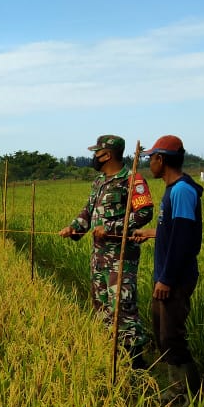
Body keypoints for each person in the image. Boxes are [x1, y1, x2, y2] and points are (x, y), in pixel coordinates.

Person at [59, 135, 154, 367]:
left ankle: (136, 365)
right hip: (99, 257)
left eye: (97, 153)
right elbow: (88, 211)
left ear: (107, 155)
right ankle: (113, 357)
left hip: (120, 258)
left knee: (122, 307)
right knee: (102, 307)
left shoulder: (132, 179)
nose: (94, 157)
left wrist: (111, 227)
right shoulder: (99, 181)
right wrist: (74, 228)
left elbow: (144, 213)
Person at [134, 135, 204, 400]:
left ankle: (188, 395)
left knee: (172, 337)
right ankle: (177, 388)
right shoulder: (172, 188)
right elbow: (173, 229)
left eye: (151, 158)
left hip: (174, 277)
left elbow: (183, 239)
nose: (149, 163)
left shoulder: (181, 191)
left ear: (161, 160)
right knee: (163, 335)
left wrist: (166, 279)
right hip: (165, 274)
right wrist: (152, 232)